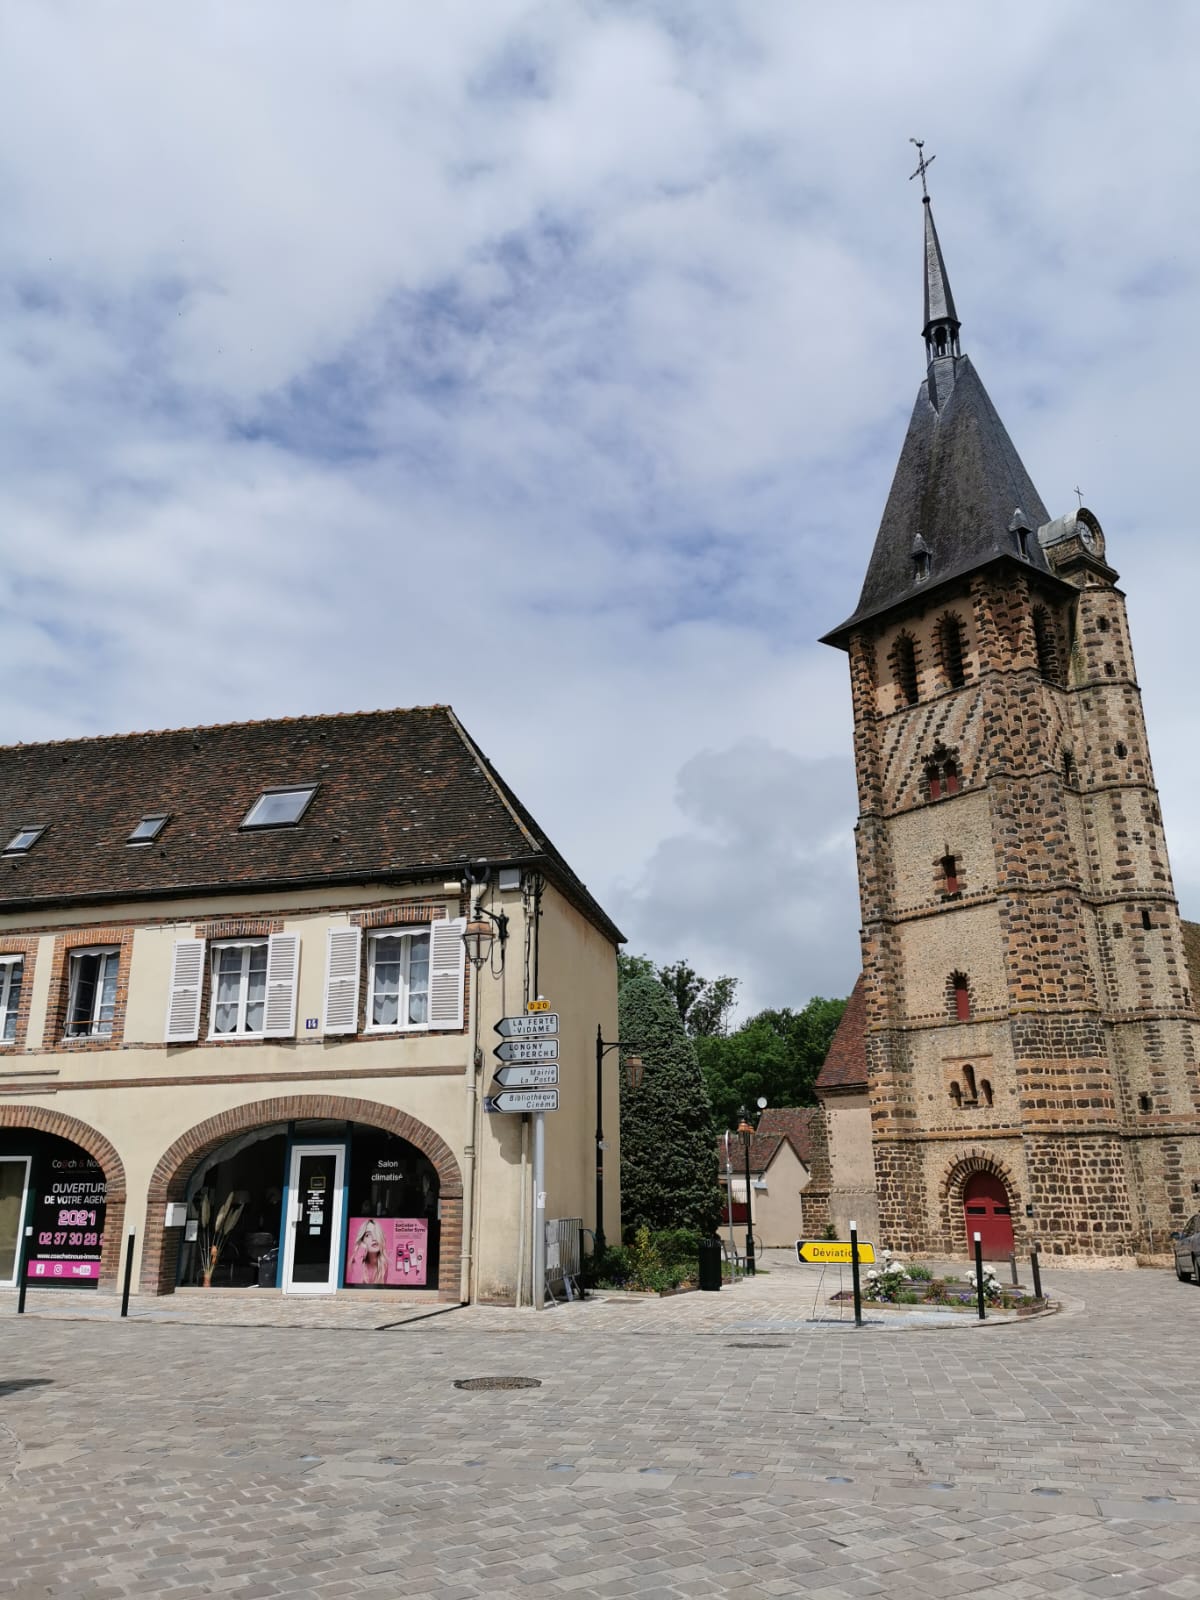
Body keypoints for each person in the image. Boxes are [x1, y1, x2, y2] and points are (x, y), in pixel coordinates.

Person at [350, 1217, 388, 1286]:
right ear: (362, 1241)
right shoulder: (357, 1262)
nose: (374, 1238)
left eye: (376, 1233)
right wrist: (361, 1251)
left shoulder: (386, 1263)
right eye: (368, 1235)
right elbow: (356, 1287)